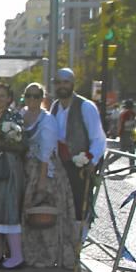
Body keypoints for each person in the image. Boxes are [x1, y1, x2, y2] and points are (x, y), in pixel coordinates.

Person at [20, 83, 78, 268]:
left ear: (42, 98)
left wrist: (42, 181)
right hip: (26, 169)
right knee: (28, 213)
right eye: (29, 96)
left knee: (46, 212)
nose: (32, 100)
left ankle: (49, 254)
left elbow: (47, 153)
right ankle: (29, 252)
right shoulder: (21, 115)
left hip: (45, 170)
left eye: (36, 96)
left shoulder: (47, 120)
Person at [50, 67, 107, 226]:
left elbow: (99, 138)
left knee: (79, 207)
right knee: (60, 206)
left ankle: (78, 241)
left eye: (66, 82)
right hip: (59, 166)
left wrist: (91, 161)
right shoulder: (54, 106)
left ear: (73, 84)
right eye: (59, 82)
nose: (62, 86)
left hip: (79, 167)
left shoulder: (86, 107)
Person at [0, 83, 27, 269]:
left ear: (9, 98)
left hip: (8, 166)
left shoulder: (14, 117)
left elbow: (22, 144)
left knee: (8, 208)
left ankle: (16, 255)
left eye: (3, 95)